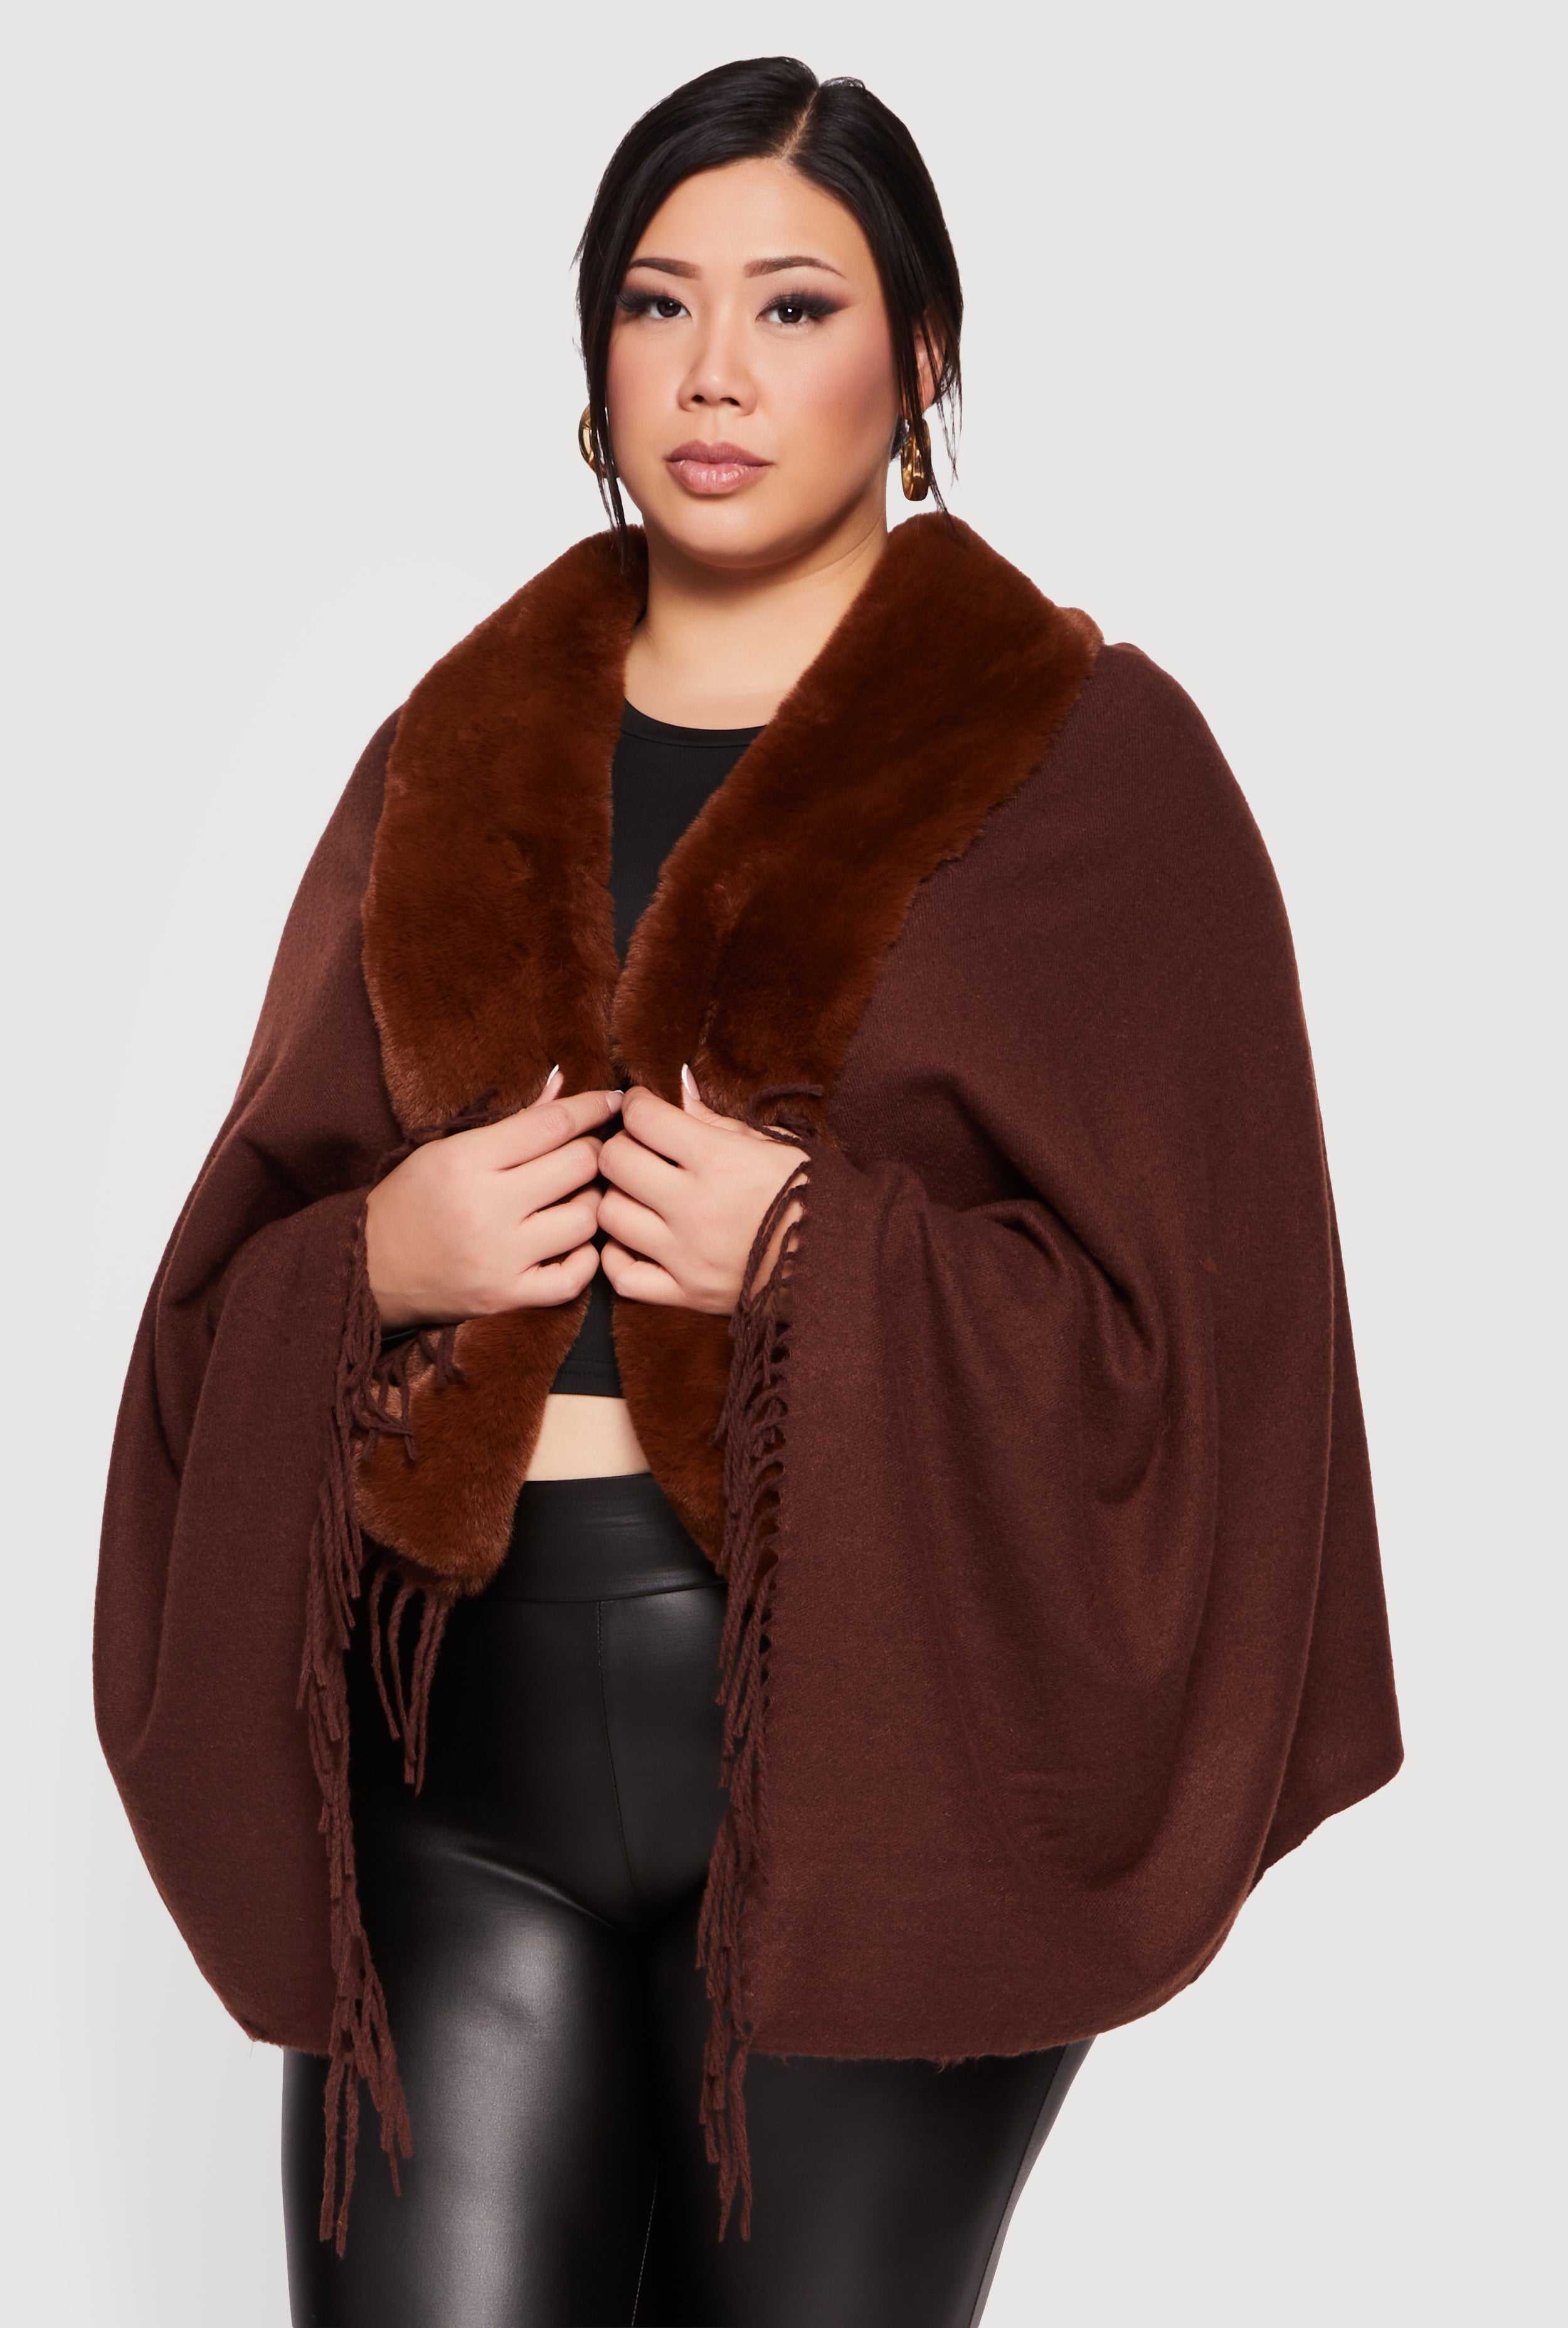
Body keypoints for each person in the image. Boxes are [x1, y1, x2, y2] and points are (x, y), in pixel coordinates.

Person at [94, 54, 1402, 2328]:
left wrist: (816, 1260)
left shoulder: (1092, 766)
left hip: (885, 1753)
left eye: (794, 306)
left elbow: (1213, 1355)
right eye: (654, 300)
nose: (712, 371)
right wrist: (381, 1255)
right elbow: (226, 1297)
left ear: (920, 360)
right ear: (593, 354)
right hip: (451, 1746)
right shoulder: (448, 751)